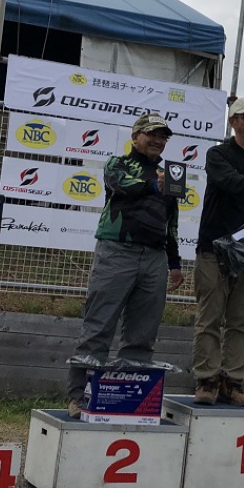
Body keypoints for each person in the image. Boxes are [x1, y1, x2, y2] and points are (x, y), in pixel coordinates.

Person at [66, 113, 184, 418]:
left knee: (143, 331)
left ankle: (128, 399)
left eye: (163, 136)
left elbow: (172, 222)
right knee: (99, 323)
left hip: (156, 256)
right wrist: (155, 185)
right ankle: (79, 397)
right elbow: (125, 186)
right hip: (116, 250)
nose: (158, 140)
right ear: (135, 137)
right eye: (152, 134)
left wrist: (175, 263)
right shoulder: (117, 163)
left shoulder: (168, 174)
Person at [191, 97, 244, 407]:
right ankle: (207, 381)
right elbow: (229, 183)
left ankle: (233, 382)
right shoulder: (218, 154)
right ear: (233, 122)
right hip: (214, 247)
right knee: (209, 317)